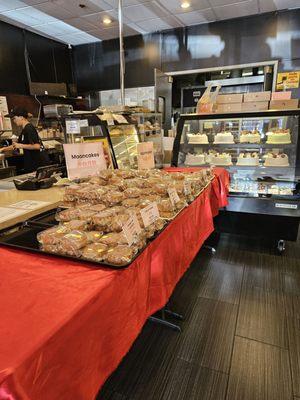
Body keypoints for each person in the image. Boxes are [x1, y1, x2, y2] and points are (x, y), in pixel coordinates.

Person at [0, 107, 48, 173]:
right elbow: (16, 145)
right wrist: (3, 149)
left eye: (14, 118)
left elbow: (37, 146)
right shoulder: (24, 130)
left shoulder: (29, 128)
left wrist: (21, 145)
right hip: (32, 164)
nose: (13, 121)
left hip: (37, 165)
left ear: (21, 117)